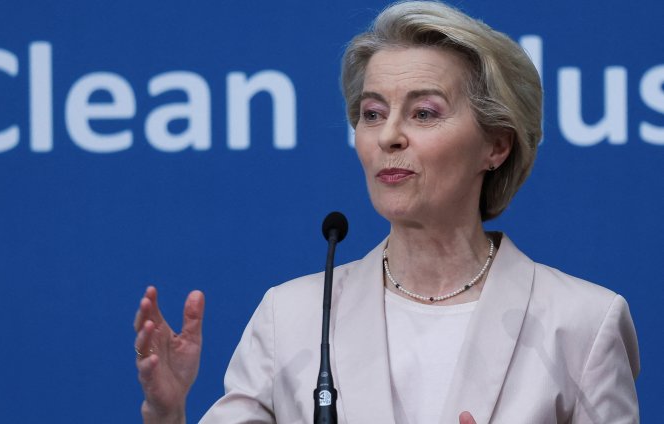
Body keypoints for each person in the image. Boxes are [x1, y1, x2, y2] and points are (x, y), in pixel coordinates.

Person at [133, 1, 640, 422]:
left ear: (496, 146)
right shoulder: (290, 318)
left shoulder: (581, 323)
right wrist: (167, 413)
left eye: (424, 112)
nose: (389, 136)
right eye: (372, 113)